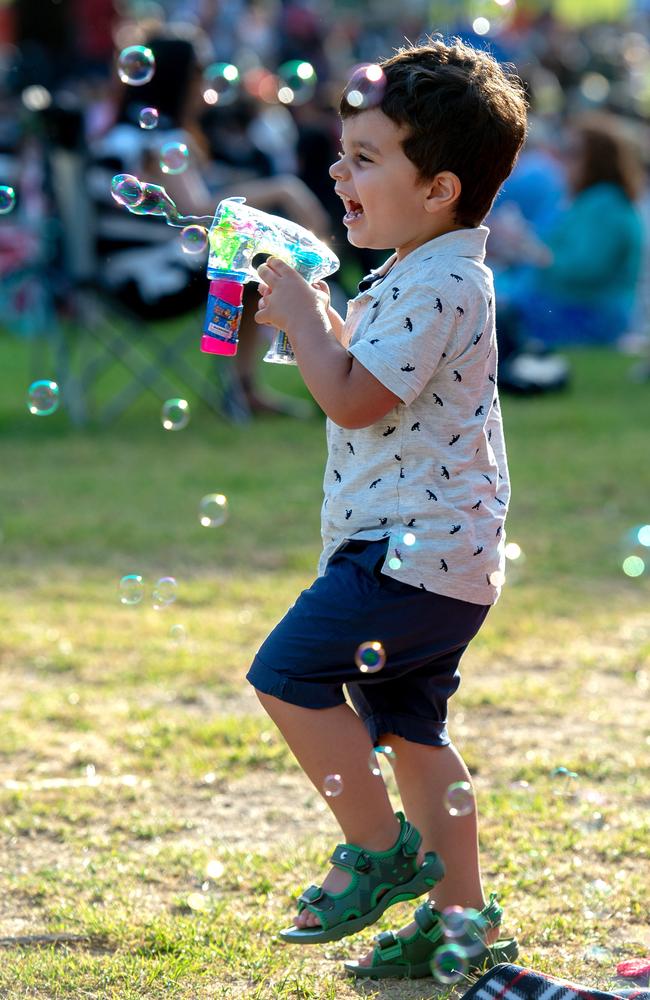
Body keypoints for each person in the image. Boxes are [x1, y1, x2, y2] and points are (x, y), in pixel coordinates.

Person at [245, 37, 526, 980]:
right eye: (343, 153)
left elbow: (355, 396)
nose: (339, 172)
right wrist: (309, 309)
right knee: (412, 733)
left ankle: (379, 851)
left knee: (286, 673)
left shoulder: (446, 278)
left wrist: (302, 318)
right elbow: (355, 373)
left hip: (409, 557)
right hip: (427, 556)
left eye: (367, 158)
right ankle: (460, 924)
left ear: (440, 186)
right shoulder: (417, 268)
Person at [90, 27, 331, 416]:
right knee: (267, 262)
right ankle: (260, 387)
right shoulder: (157, 139)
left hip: (116, 273)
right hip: (147, 280)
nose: (206, 83)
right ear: (179, 80)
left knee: (263, 256)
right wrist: (284, 189)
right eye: (200, 71)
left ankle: (246, 388)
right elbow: (199, 207)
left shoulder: (127, 132)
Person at [494, 111, 644, 350]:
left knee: (488, 310)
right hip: (574, 307)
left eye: (572, 153)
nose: (562, 161)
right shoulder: (587, 201)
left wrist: (532, 251)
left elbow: (584, 269)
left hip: (587, 314)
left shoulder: (604, 203)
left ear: (597, 160)